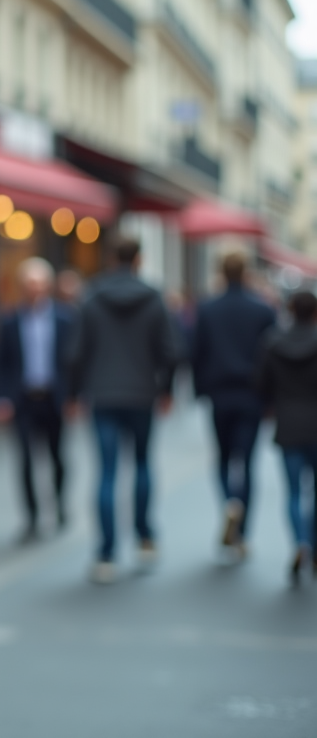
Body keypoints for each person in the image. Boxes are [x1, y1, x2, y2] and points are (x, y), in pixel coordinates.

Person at [68, 238, 177, 584]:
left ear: (113, 257)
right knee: (143, 465)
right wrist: (166, 389)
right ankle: (145, 538)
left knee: (106, 473)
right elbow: (171, 349)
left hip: (103, 394)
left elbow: (75, 352)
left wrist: (74, 393)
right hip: (142, 393)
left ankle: (106, 553)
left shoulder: (92, 296)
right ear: (140, 259)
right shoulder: (154, 297)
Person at [191, 252, 276, 559]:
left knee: (224, 458)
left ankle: (229, 502)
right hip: (252, 396)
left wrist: (200, 390)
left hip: (220, 394)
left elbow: (196, 351)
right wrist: (271, 397)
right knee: (248, 461)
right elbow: (273, 355)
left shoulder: (208, 308)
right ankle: (242, 530)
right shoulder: (263, 310)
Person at [0, 257, 76, 542]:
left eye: (39, 285)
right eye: (29, 285)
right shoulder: (9, 320)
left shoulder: (65, 318)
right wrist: (1, 398)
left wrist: (74, 396)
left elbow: (72, 361)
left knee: (58, 457)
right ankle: (31, 517)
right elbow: (0, 362)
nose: (35, 290)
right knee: (25, 460)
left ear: (49, 286)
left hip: (54, 398)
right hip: (23, 399)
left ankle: (60, 504)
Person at [256, 290, 317, 586]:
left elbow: (261, 383)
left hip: (289, 423)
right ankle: (313, 545)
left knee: (293, 492)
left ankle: (300, 542)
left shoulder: (273, 342)